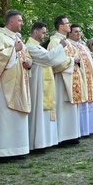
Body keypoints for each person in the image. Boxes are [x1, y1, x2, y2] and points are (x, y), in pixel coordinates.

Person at [0, 9, 32, 159]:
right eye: (19, 20)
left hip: (20, 83)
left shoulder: (17, 38)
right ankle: (2, 151)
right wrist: (14, 50)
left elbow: (26, 56)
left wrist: (28, 62)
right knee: (5, 118)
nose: (22, 23)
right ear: (11, 22)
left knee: (17, 118)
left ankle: (18, 149)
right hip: (5, 85)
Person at [25, 22, 70, 151]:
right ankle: (37, 144)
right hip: (38, 85)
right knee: (38, 113)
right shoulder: (29, 46)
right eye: (43, 33)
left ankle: (45, 142)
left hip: (45, 83)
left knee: (44, 113)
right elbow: (48, 58)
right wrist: (60, 46)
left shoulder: (39, 47)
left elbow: (53, 60)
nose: (45, 36)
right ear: (35, 32)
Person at [48, 15, 82, 145]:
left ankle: (72, 134)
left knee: (71, 106)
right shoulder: (55, 41)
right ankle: (63, 136)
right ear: (60, 26)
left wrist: (75, 59)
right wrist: (73, 60)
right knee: (63, 106)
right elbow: (55, 62)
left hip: (71, 76)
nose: (69, 25)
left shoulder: (66, 41)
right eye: (67, 23)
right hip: (61, 79)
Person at [69, 24, 93, 136]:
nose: (78, 33)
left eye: (79, 31)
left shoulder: (83, 46)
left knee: (88, 103)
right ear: (70, 33)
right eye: (76, 31)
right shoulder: (68, 45)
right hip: (78, 79)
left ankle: (88, 129)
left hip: (88, 79)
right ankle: (80, 130)